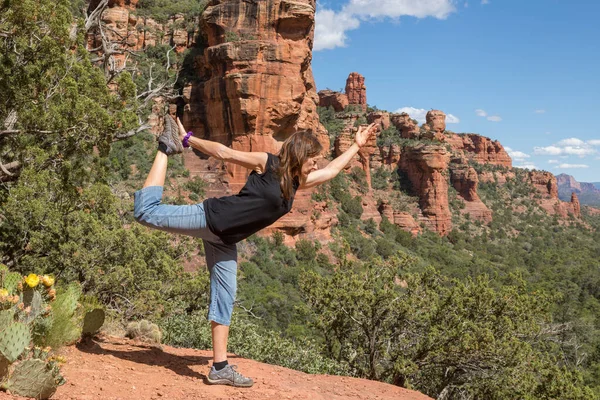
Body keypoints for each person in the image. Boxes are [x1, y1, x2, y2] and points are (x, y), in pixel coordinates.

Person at [133, 115, 375, 387]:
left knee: (225, 295)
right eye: (313, 158)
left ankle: (220, 367)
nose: (316, 162)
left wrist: (356, 146)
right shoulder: (268, 163)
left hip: (225, 239)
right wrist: (188, 140)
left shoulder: (296, 182)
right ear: (300, 155)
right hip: (211, 218)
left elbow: (331, 172)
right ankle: (166, 147)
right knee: (145, 212)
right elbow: (224, 153)